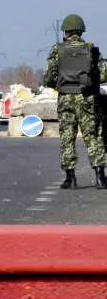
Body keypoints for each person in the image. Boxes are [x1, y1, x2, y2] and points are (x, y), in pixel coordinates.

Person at [42, 15, 107, 189]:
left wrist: (58, 85)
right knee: (93, 136)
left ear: (65, 31)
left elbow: (48, 77)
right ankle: (100, 177)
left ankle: (70, 178)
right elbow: (103, 74)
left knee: (67, 136)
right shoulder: (91, 49)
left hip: (65, 98)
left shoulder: (57, 50)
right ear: (81, 31)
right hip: (86, 98)